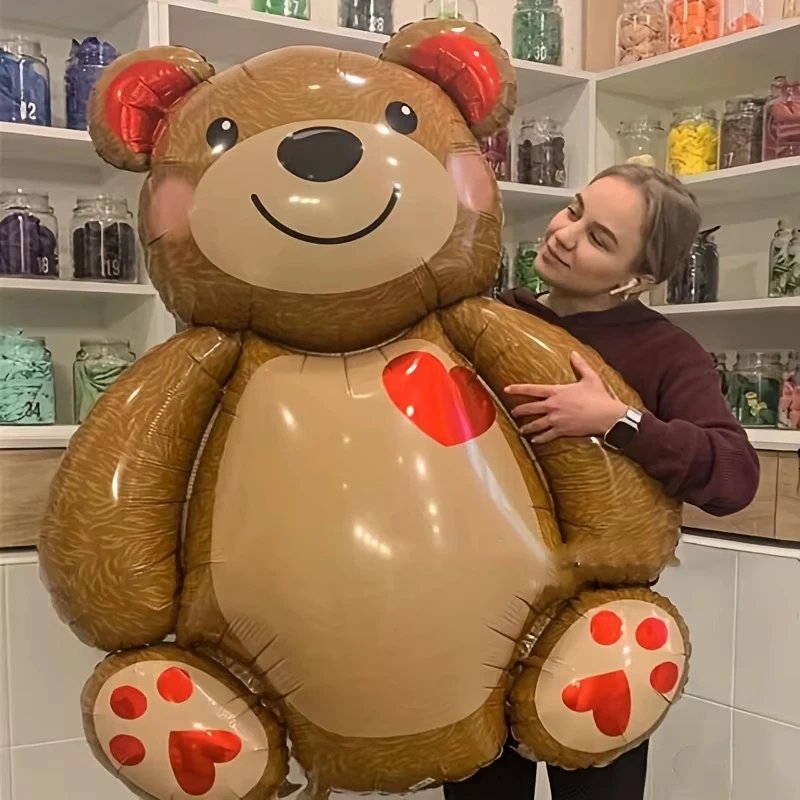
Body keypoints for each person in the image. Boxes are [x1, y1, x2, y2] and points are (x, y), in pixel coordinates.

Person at [443, 163, 760, 800]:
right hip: (481, 619)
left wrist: (617, 420)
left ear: (634, 279)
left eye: (599, 238)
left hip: (597, 634)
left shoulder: (666, 352)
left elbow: (734, 477)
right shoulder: (488, 319)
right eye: (574, 209)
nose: (564, 234)